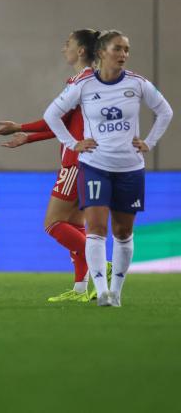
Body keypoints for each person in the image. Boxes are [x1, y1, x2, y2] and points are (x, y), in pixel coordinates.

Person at [44, 30, 173, 307]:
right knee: (96, 228)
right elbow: (51, 114)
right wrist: (73, 143)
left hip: (130, 168)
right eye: (118, 49)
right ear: (102, 53)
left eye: (126, 50)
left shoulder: (138, 84)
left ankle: (117, 292)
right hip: (95, 166)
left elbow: (166, 111)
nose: (123, 55)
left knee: (123, 231)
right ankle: (101, 291)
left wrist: (149, 142)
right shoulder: (84, 85)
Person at [0, 29, 110, 302]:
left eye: (67, 44)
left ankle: (100, 264)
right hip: (92, 161)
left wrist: (19, 127)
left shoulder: (81, 82)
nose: (63, 49)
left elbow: (52, 119)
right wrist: (28, 138)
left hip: (76, 162)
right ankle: (81, 289)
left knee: (53, 223)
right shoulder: (91, 80)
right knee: (75, 225)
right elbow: (64, 124)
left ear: (81, 51)